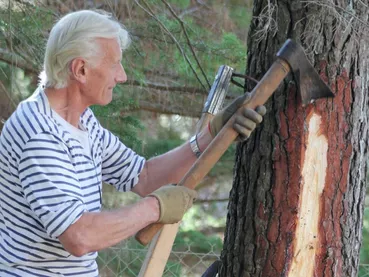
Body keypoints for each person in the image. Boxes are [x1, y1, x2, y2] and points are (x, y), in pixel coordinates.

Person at [0, 10, 266, 276]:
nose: (122, 76)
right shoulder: (40, 133)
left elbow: (144, 175)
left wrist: (212, 133)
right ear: (81, 69)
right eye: (114, 64)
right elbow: (79, 235)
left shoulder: (81, 121)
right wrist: (155, 207)